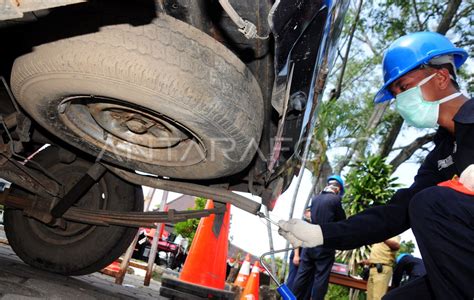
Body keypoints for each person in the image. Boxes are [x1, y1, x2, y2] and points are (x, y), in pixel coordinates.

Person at [278, 31, 474, 299]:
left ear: (440, 77)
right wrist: (322, 233)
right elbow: (395, 214)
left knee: (431, 203)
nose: (401, 101)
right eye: (396, 95)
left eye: (404, 87)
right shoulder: (441, 156)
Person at [291, 176, 346, 300]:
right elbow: (342, 221)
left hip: (309, 245)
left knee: (302, 275)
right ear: (337, 188)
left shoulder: (315, 198)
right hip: (324, 245)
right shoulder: (335, 200)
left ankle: (291, 298)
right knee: (320, 279)